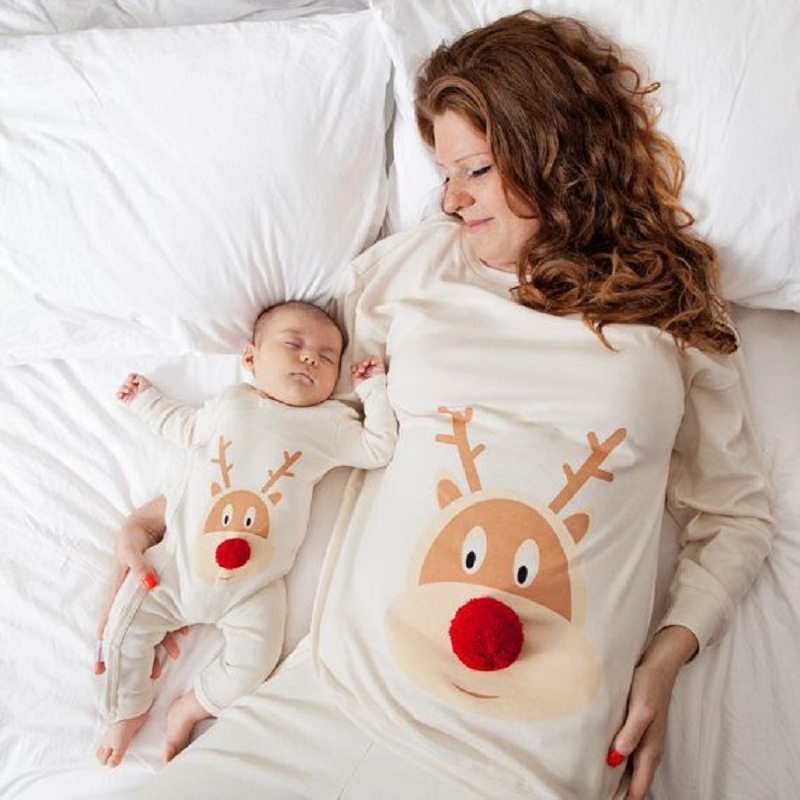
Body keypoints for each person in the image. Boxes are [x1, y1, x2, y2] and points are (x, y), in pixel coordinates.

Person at [104, 12, 773, 800]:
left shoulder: (675, 308)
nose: (451, 200)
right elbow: (299, 416)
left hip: (528, 761)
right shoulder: (413, 272)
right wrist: (167, 513)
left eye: (475, 170)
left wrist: (667, 658)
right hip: (333, 704)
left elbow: (734, 518)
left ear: (547, 149)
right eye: (443, 174)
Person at [95, 300, 397, 767]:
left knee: (255, 663)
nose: (310, 358)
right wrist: (145, 401)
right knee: (122, 630)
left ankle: (189, 707)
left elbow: (378, 447)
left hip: (254, 588)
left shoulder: (330, 423)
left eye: (327, 355)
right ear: (252, 359)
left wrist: (373, 389)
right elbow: (184, 426)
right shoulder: (231, 404)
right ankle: (126, 711)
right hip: (176, 566)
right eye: (294, 345)